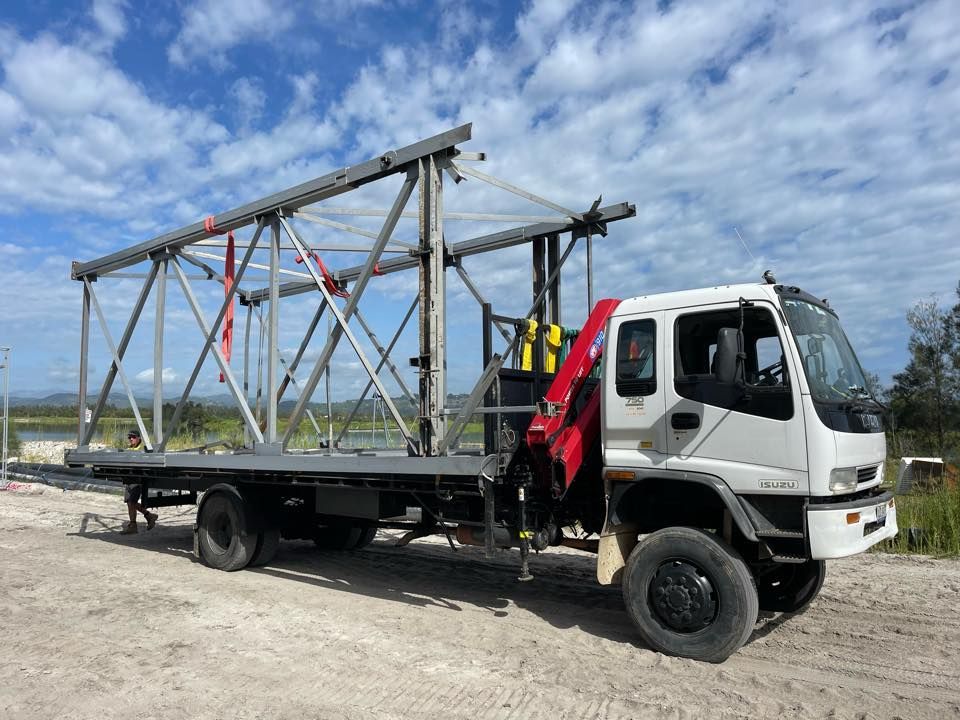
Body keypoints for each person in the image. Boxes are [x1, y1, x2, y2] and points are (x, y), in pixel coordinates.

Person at [119, 429, 158, 535]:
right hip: (128, 479)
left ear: (139, 438)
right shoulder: (129, 449)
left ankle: (147, 516)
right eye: (129, 437)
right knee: (129, 503)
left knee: (132, 502)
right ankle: (135, 524)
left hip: (137, 479)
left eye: (133, 437)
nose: (131, 439)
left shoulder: (141, 448)